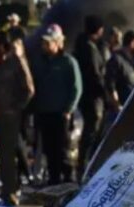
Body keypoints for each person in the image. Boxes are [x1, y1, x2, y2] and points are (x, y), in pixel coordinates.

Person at [0, 31, 34, 206]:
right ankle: (6, 187)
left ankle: (12, 190)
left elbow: (29, 89)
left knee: (9, 156)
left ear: (2, 44)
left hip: (10, 117)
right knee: (2, 154)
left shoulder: (16, 62)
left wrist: (16, 107)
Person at [33, 24, 81, 185]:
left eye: (48, 42)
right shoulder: (40, 62)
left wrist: (68, 110)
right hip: (44, 113)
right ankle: (53, 181)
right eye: (43, 42)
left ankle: (68, 182)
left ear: (57, 43)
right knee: (49, 151)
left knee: (63, 151)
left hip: (61, 114)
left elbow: (76, 88)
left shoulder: (68, 62)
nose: (44, 46)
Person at [73, 15, 105, 181]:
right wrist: (105, 92)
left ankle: (85, 166)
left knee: (91, 133)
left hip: (89, 96)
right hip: (92, 98)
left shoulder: (84, 45)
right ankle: (84, 168)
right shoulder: (89, 48)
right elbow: (95, 74)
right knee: (91, 134)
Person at [105, 29, 134, 111]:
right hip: (119, 111)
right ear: (132, 43)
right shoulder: (116, 60)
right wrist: (117, 105)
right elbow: (110, 84)